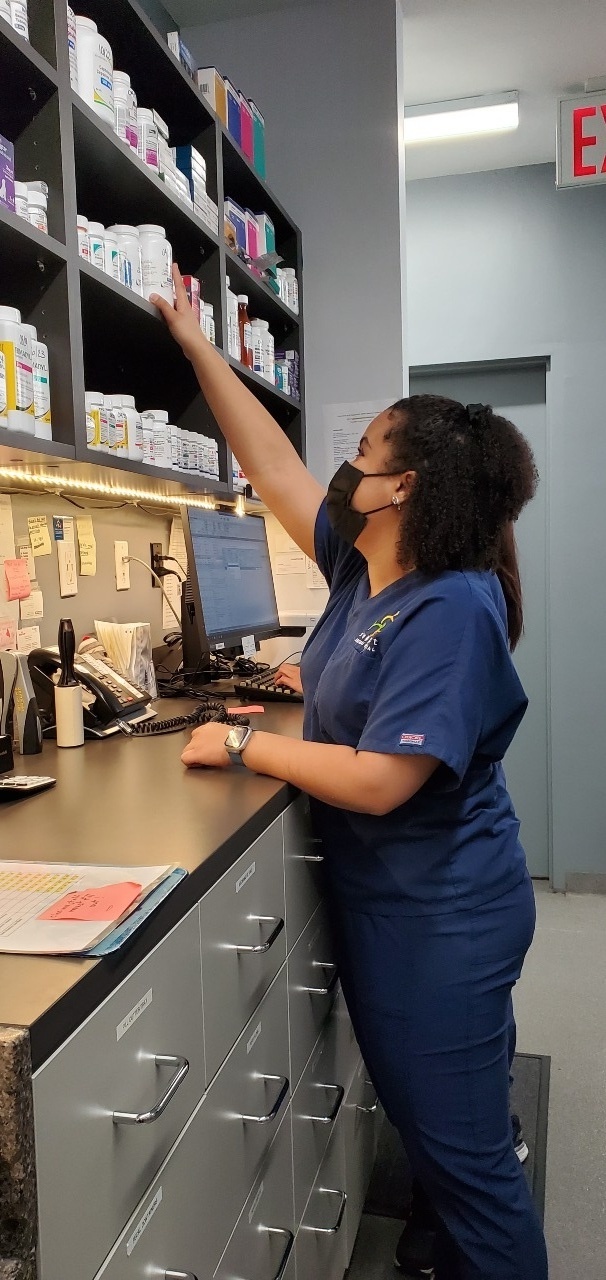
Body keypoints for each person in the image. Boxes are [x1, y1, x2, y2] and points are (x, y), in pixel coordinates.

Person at [152, 267, 549, 1280]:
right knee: (447, 1143)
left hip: (441, 921)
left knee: (470, 1170)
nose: (343, 464)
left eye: (362, 450)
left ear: (404, 485)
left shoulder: (450, 605)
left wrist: (244, 740)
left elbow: (381, 779)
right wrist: (200, 346)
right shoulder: (367, 567)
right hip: (409, 905)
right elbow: (276, 466)